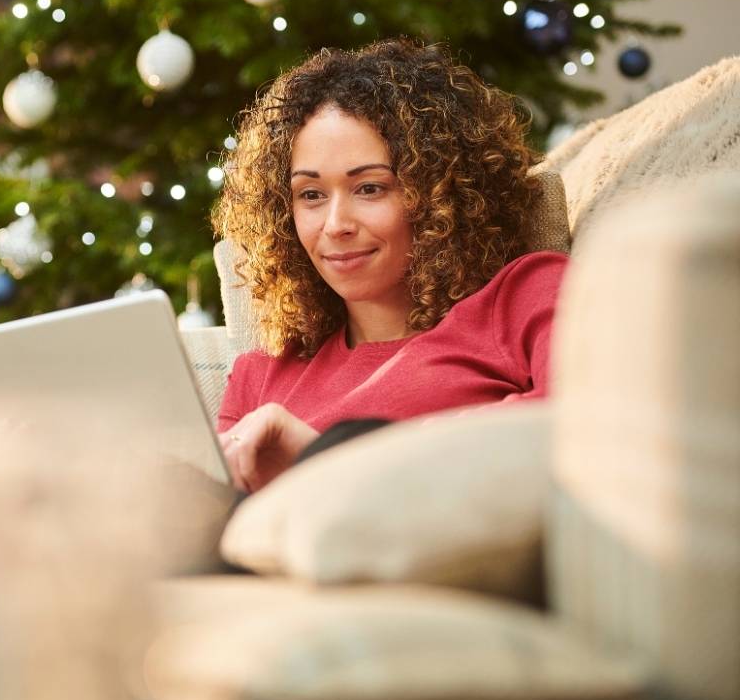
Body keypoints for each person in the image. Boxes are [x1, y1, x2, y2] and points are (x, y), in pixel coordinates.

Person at [212, 38, 568, 494]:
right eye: (311, 195)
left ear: (441, 192)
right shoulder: (261, 374)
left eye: (370, 188)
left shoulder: (525, 296)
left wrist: (328, 457)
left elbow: (587, 421)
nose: (335, 225)